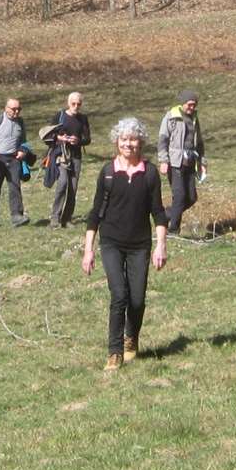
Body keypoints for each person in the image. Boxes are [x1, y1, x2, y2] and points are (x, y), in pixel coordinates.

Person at [82, 117, 169, 370]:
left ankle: (132, 337)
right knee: (119, 295)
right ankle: (114, 352)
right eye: (123, 139)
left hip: (139, 245)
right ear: (116, 142)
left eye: (132, 139)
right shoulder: (108, 173)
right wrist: (88, 250)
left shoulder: (149, 173)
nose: (128, 144)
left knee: (137, 300)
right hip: (111, 242)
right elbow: (95, 213)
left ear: (140, 142)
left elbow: (158, 212)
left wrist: (161, 245)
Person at [40, 91, 91, 228]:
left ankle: (67, 219)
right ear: (68, 103)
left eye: (78, 104)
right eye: (73, 103)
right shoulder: (60, 116)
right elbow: (47, 135)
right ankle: (55, 218)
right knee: (62, 183)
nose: (76, 106)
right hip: (61, 155)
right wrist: (59, 138)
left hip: (76, 157)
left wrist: (78, 140)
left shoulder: (83, 118)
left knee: (73, 188)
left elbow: (87, 139)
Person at [157, 91, 205, 233]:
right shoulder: (171, 117)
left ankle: (166, 215)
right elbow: (163, 140)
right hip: (175, 163)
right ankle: (173, 229)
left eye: (194, 105)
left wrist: (202, 162)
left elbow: (199, 142)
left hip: (190, 163)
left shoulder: (194, 118)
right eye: (189, 104)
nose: (192, 107)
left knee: (191, 198)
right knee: (179, 196)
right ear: (183, 103)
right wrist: (163, 160)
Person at [0, 97, 30, 226]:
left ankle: (17, 216)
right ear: (6, 108)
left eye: (19, 109)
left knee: (15, 187)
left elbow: (24, 141)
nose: (17, 112)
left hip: (14, 159)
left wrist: (22, 150)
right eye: (14, 109)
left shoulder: (20, 122)